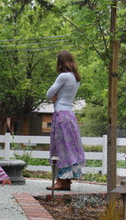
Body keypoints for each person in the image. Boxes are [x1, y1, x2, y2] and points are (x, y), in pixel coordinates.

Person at [45, 50, 85, 191]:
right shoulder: (75, 78)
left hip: (61, 115)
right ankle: (67, 181)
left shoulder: (63, 76)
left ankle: (61, 181)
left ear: (60, 62)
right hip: (70, 115)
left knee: (60, 147)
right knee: (70, 147)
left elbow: (48, 94)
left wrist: (54, 94)